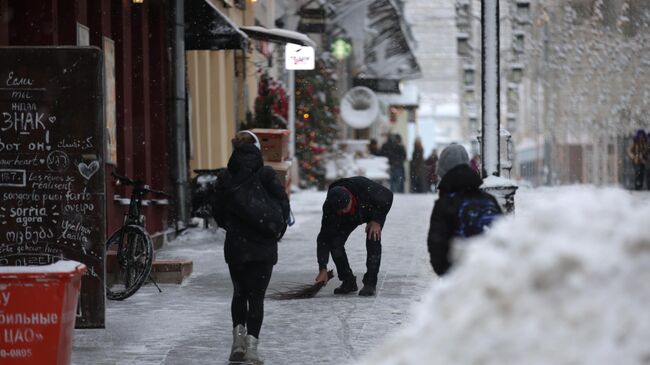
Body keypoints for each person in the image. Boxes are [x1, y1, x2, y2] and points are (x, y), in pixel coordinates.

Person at [213, 130, 290, 364]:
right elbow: (283, 206)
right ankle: (252, 349)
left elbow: (217, 212)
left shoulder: (226, 177)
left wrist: (234, 226)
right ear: (257, 149)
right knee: (257, 298)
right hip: (263, 246)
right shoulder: (267, 174)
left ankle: (237, 342)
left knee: (239, 293)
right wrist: (275, 231)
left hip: (236, 246)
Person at [427, 144, 502, 276]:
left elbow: (437, 250)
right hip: (492, 276)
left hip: (462, 282)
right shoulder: (488, 199)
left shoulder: (445, 204)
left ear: (442, 171)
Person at [314, 176, 394, 296]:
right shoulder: (330, 207)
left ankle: (370, 283)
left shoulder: (364, 187)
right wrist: (323, 268)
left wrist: (377, 221)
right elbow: (324, 238)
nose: (342, 212)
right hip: (348, 220)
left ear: (351, 198)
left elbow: (388, 196)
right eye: (339, 210)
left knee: (373, 237)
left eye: (345, 208)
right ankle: (348, 281)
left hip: (370, 211)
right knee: (335, 243)